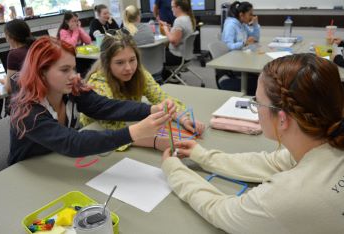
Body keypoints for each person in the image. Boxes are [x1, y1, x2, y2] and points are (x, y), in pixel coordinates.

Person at [161, 53, 344, 233]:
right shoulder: (324, 141)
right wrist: (202, 155)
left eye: (257, 102)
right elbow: (271, 162)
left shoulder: (285, 198)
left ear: (282, 119)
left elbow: (219, 210)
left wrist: (174, 170)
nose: (255, 108)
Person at [8, 36, 176, 165]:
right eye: (65, 70)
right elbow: (73, 142)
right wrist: (134, 132)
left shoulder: (70, 89)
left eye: (73, 68)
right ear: (41, 72)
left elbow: (106, 107)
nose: (73, 76)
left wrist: (150, 110)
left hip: (57, 160)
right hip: (28, 170)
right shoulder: (28, 110)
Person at [80, 31, 205, 151]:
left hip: (131, 128)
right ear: (106, 63)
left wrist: (184, 119)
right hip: (97, 140)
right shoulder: (98, 84)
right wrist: (156, 142)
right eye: (120, 62)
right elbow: (113, 128)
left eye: (132, 60)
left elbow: (161, 98)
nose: (128, 68)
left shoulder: (139, 73)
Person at [161, 0, 196, 80]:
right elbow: (180, 34)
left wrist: (166, 30)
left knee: (157, 56)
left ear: (178, 8)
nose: (171, 9)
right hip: (185, 55)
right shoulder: (187, 18)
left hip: (177, 56)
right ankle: (170, 76)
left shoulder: (179, 20)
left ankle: (162, 80)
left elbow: (174, 41)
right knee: (163, 52)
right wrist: (171, 29)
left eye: (172, 7)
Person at [4, 19, 35, 94]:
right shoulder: (35, 46)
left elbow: (10, 89)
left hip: (31, 98)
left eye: (5, 35)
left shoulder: (14, 55)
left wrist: (5, 81)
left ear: (10, 36)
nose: (5, 39)